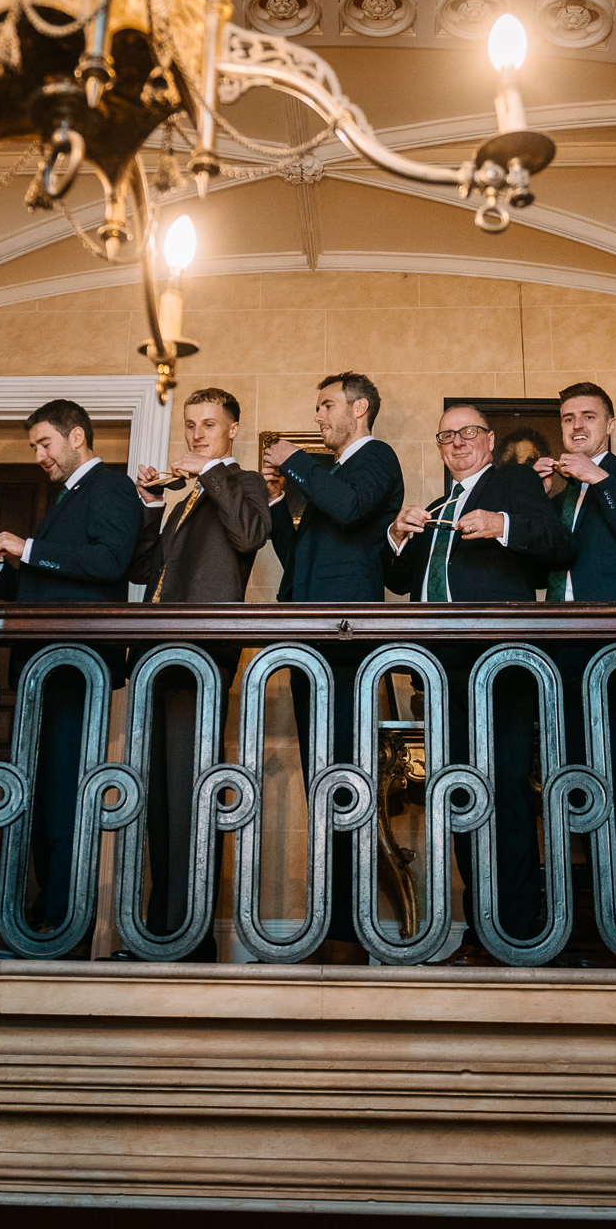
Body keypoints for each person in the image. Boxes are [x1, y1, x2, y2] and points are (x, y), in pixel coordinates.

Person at [385, 403, 574, 965]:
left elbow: (559, 547)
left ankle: (515, 932)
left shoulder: (514, 482)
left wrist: (502, 525)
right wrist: (396, 533)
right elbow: (397, 579)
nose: (457, 442)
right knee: (460, 796)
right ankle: (480, 929)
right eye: (447, 436)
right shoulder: (438, 507)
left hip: (498, 667)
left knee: (506, 794)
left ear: (489, 441)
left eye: (468, 432)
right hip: (438, 672)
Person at [0, 399, 143, 937]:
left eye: (45, 443)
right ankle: (45, 919)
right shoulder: (65, 499)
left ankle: (64, 925)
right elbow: (49, 587)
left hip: (78, 664)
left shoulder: (110, 488)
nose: (39, 456)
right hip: (45, 665)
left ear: (78, 437)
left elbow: (112, 563)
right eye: (34, 447)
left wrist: (28, 547)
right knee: (43, 794)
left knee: (66, 794)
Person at [262, 372, 403, 965]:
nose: (318, 416)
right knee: (324, 783)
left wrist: (295, 463)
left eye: (326, 405)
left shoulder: (376, 459)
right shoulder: (333, 473)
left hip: (346, 649)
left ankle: (348, 935)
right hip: (309, 644)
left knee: (346, 783)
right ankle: (328, 924)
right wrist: (275, 498)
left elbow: (347, 512)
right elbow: (298, 558)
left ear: (361, 407)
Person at [125, 388, 270, 963]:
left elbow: (251, 535)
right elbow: (143, 569)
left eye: (209, 425)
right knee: (161, 799)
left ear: (232, 430)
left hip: (201, 659)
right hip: (159, 658)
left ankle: (189, 941)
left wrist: (211, 472)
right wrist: (150, 504)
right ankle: (162, 933)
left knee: (191, 798)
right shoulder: (183, 500)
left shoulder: (243, 484)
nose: (196, 434)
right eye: (190, 425)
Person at [531, 382, 616, 954]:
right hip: (560, 653)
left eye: (588, 416)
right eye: (567, 419)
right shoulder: (557, 490)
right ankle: (568, 929)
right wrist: (536, 501)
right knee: (567, 785)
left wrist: (599, 480)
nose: (577, 425)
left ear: (609, 423)